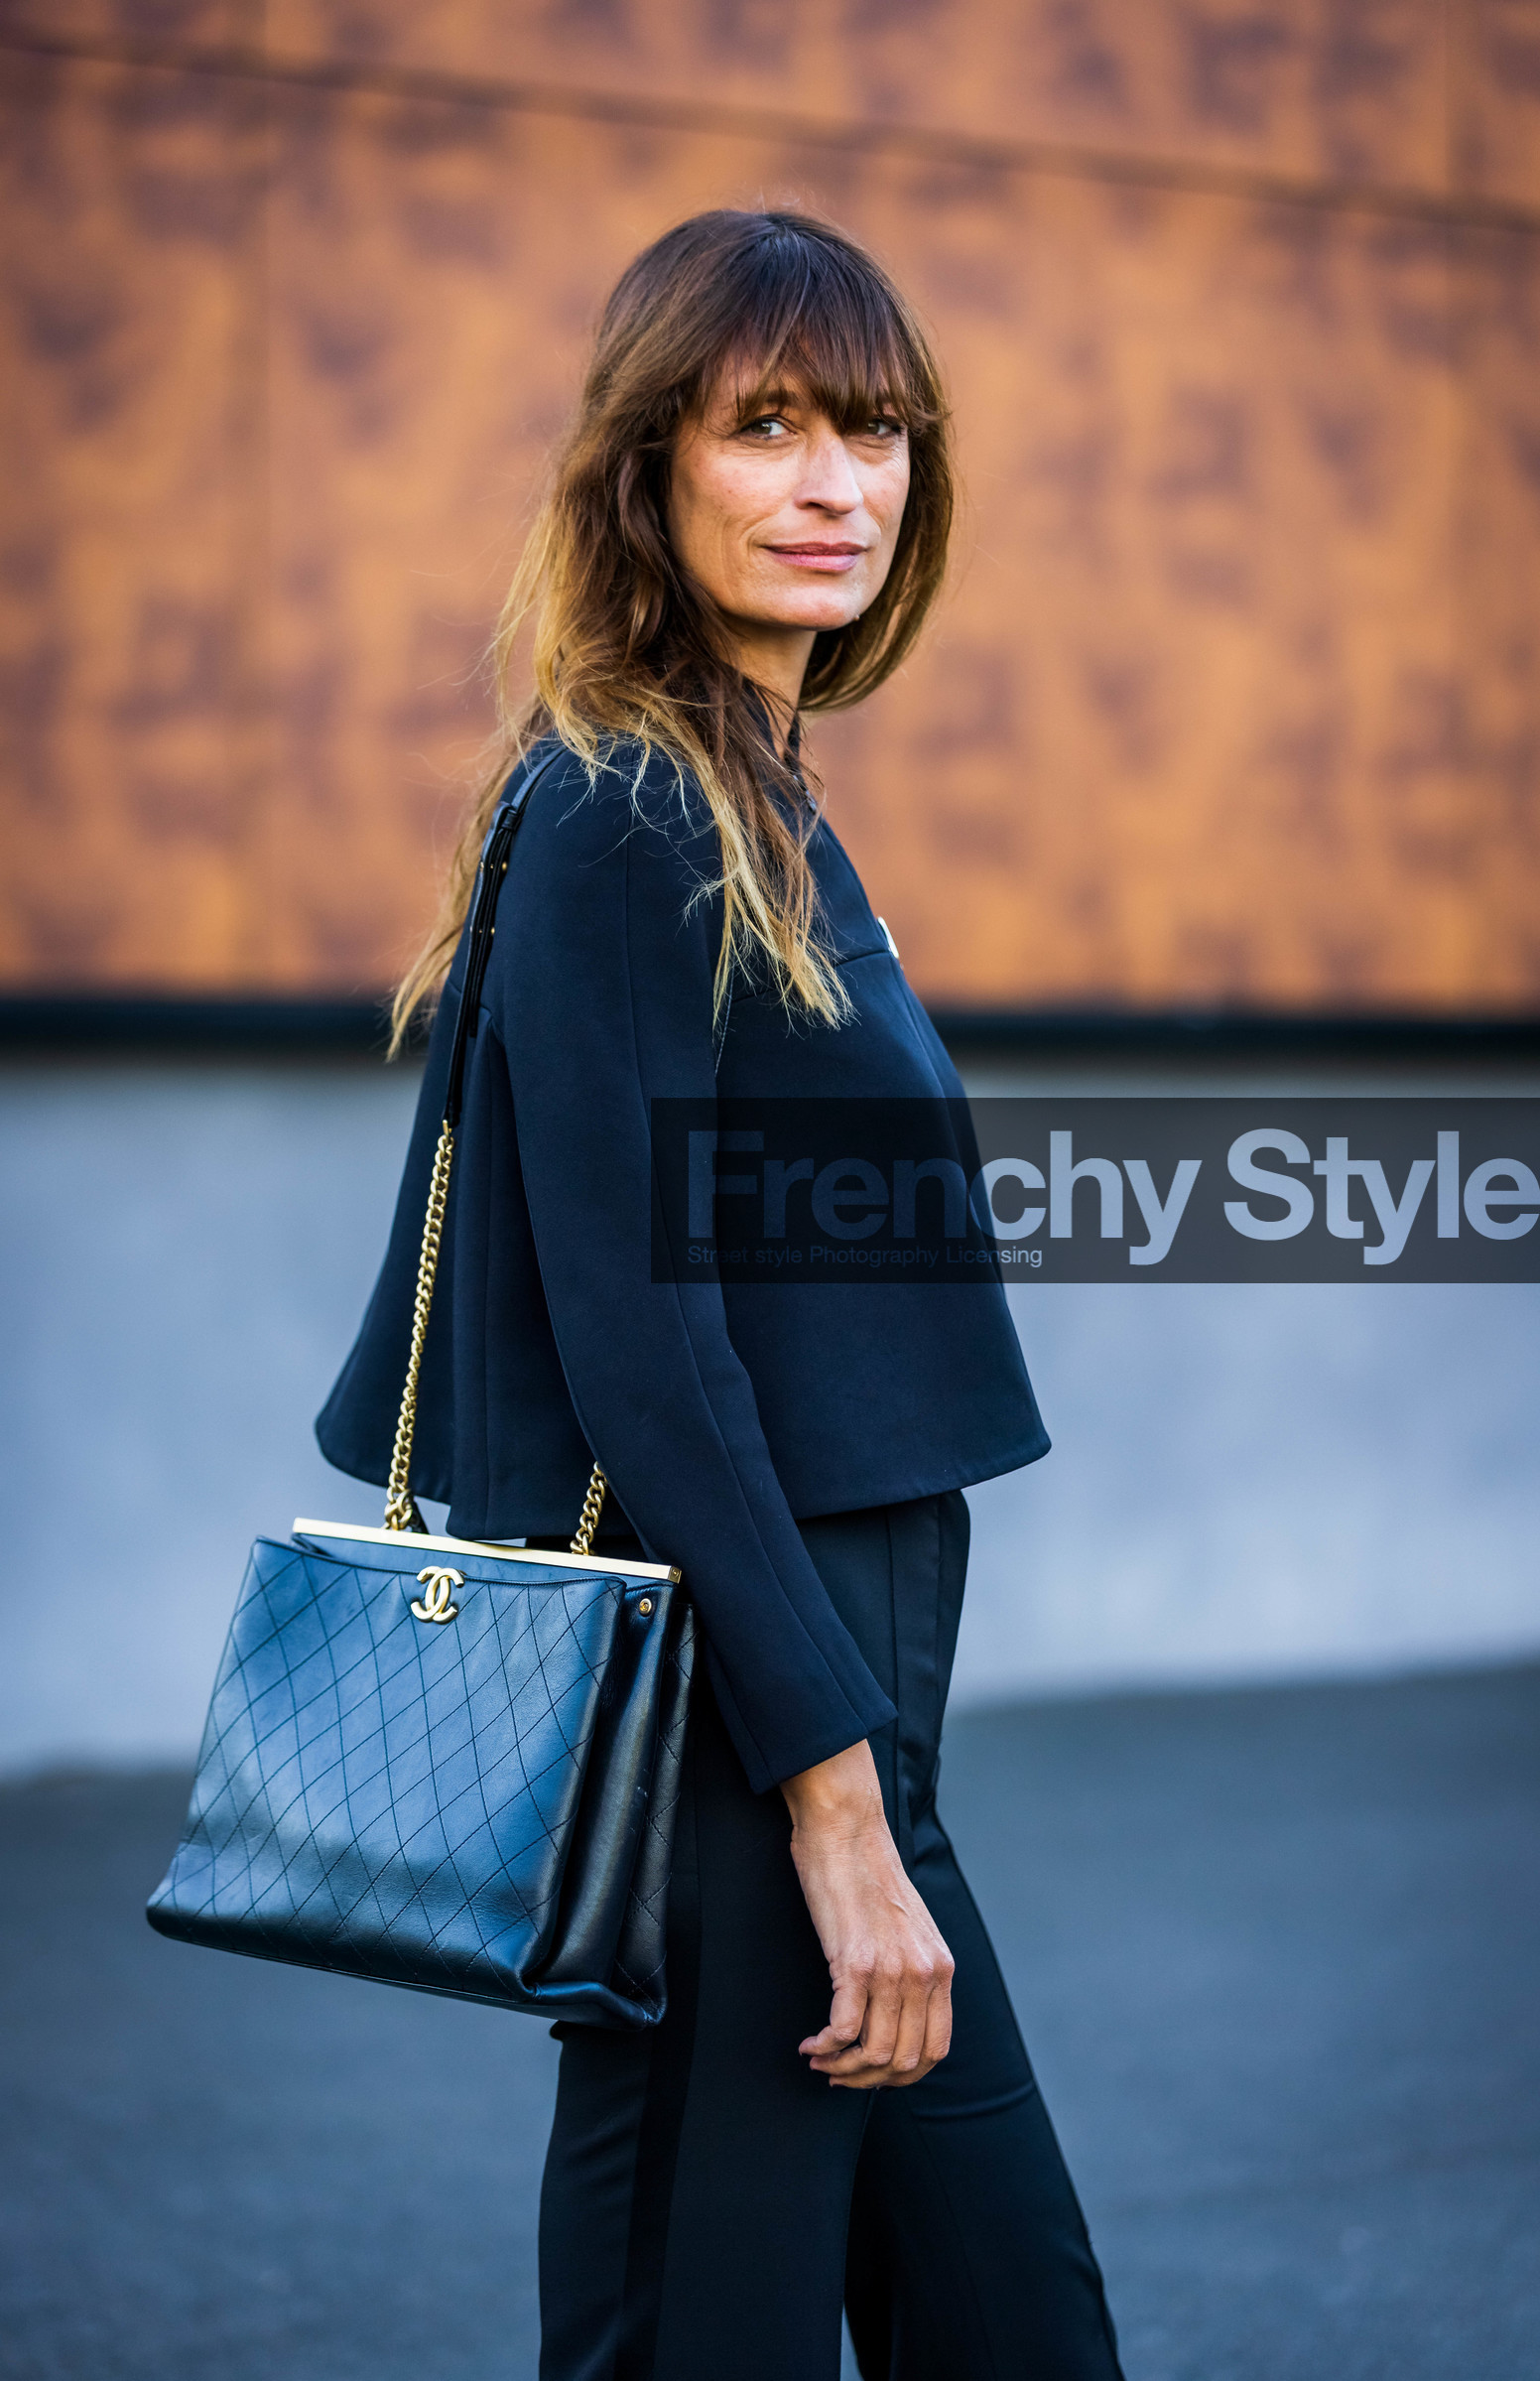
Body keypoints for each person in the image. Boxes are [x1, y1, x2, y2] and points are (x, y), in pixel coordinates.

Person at [318, 208, 1125, 2381]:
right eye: (763, 425)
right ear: (645, 466)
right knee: (713, 2317)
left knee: (1011, 2318)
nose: (833, 482)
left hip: (833, 1705)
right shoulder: (615, 812)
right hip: (748, 1726)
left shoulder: (754, 793)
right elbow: (647, 1357)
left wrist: (864, 1794)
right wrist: (834, 1814)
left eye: (869, 429)